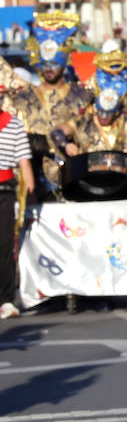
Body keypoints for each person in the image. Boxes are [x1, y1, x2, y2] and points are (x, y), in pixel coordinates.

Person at [10, 11, 90, 198]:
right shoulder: (24, 98)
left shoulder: (81, 96)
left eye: (54, 64)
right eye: (45, 64)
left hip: (72, 179)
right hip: (34, 181)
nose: (49, 70)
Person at [53, 52, 127, 163]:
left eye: (108, 113)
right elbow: (57, 132)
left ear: (116, 111)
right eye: (101, 112)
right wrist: (66, 145)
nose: (103, 117)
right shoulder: (84, 122)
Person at [0, 85, 34, 319]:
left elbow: (23, 160)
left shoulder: (13, 124)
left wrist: (30, 186)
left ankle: (6, 299)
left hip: (5, 190)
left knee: (4, 246)